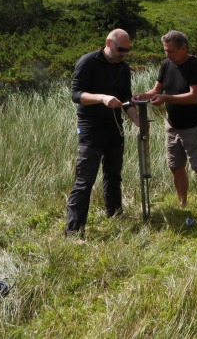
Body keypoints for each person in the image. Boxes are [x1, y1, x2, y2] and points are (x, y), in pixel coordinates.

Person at [134, 30, 197, 221]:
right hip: (172, 125)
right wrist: (143, 96)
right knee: (175, 166)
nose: (167, 55)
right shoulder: (166, 64)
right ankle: (182, 203)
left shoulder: (196, 66)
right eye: (165, 51)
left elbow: (193, 96)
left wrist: (165, 98)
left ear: (183, 48)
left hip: (194, 125)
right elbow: (157, 89)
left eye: (171, 51)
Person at [66, 29, 140, 238]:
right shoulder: (88, 62)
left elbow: (126, 97)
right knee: (84, 180)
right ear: (108, 42)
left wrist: (136, 119)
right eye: (120, 49)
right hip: (91, 127)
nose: (123, 54)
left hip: (115, 126)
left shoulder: (123, 67)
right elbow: (76, 95)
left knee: (114, 175)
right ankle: (73, 232)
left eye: (127, 50)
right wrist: (102, 98)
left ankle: (115, 213)